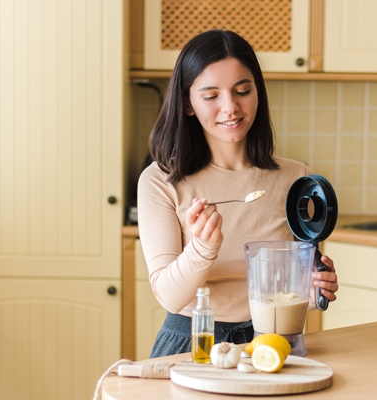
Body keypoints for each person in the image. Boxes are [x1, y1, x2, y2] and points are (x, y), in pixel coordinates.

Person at [137, 29, 339, 358]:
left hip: (271, 344)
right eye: (211, 95)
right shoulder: (161, 181)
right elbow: (169, 296)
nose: (230, 107)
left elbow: (291, 286)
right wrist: (202, 249)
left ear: (257, 92)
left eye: (242, 90)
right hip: (194, 344)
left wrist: (316, 288)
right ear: (188, 103)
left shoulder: (295, 178)